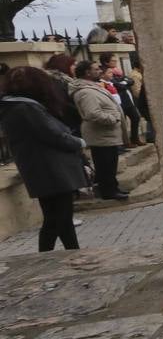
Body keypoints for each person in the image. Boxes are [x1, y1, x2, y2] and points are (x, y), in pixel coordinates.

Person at [0, 67, 86, 251]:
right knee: (56, 219)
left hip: (45, 169)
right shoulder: (25, 108)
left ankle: (73, 253)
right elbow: (53, 135)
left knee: (61, 220)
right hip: (51, 170)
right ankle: (46, 258)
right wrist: (79, 142)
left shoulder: (19, 106)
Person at [72, 60, 126, 200]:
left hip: (107, 134)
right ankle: (108, 191)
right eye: (96, 69)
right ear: (87, 73)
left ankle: (113, 187)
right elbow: (92, 114)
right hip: (100, 134)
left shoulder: (93, 87)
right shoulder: (85, 92)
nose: (100, 71)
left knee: (110, 163)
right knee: (105, 164)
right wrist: (112, 118)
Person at [44, 53, 83, 135]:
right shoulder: (57, 81)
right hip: (69, 124)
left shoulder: (67, 80)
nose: (76, 67)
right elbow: (64, 103)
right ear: (64, 65)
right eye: (73, 65)